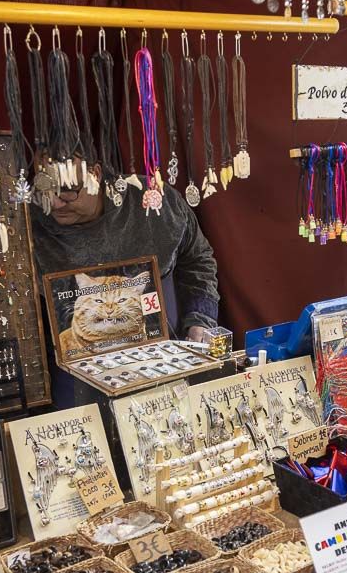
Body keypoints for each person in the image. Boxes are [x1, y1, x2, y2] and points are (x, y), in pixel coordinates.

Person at [31, 163, 220, 404]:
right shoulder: (28, 222)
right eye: (46, 190)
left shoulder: (153, 203)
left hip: (155, 361)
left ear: (95, 174)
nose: (55, 203)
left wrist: (200, 319)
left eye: (68, 191)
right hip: (76, 373)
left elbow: (197, 259)